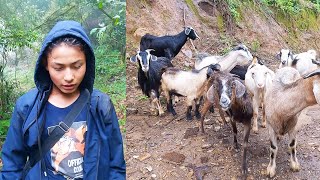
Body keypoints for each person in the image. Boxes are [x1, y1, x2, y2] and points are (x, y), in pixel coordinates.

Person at [0, 20, 126, 179]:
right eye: (58, 68)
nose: (69, 77)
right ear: (45, 64)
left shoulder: (101, 105)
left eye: (77, 66)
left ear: (87, 61)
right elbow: (12, 166)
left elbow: (116, 165)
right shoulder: (26, 107)